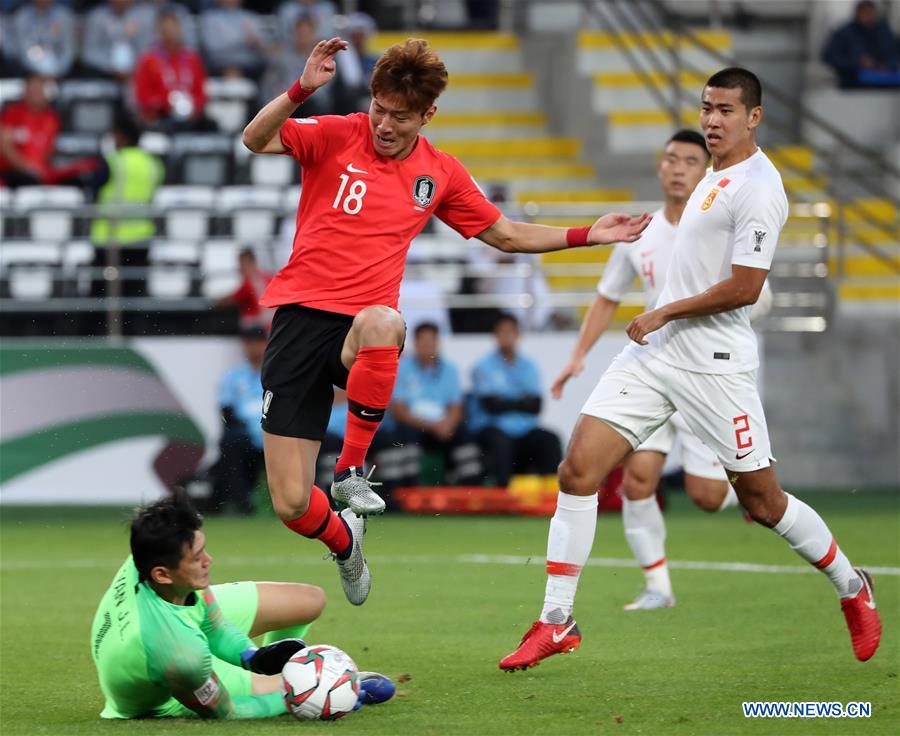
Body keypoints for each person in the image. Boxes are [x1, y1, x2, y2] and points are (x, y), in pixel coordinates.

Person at [240, 37, 650, 607]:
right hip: (298, 323)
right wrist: (302, 87)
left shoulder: (440, 173)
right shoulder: (337, 132)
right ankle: (345, 542)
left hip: (359, 326)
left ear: (427, 115)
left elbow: (505, 234)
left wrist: (588, 234)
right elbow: (255, 138)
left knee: (386, 323)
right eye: (379, 109)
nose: (384, 124)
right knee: (290, 503)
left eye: (399, 117)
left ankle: (353, 470)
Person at [499, 67, 882, 671]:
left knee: (761, 501)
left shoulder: (759, 188)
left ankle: (852, 586)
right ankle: (556, 620)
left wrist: (665, 310)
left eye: (726, 110)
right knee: (577, 471)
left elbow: (747, 287)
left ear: (754, 117)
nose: (711, 120)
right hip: (656, 356)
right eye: (706, 108)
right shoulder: (710, 176)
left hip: (716, 362)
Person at [550, 130, 775, 611]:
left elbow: (749, 287)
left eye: (689, 161)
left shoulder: (718, 221)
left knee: (706, 497)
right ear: (660, 167)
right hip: (654, 366)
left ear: (706, 170)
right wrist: (578, 355)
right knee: (637, 480)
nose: (677, 168)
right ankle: (658, 587)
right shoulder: (641, 230)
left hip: (706, 371)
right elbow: (609, 296)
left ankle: (753, 490)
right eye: (670, 159)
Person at [90, 491, 393, 719]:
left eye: (203, 549)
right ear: (162, 574)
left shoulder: (152, 553)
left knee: (309, 601)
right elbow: (225, 709)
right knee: (289, 692)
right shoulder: (181, 658)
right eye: (197, 558)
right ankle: (312, 683)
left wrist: (253, 657)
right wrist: (296, 697)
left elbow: (213, 624)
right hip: (163, 679)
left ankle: (299, 674)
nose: (209, 561)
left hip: (159, 624)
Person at [471, 313, 562, 486]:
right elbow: (490, 406)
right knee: (500, 443)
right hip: (494, 427)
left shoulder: (529, 365)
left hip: (525, 429)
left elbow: (536, 405)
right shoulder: (483, 365)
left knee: (550, 439)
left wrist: (504, 401)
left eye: (510, 331)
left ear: (518, 335)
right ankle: (504, 495)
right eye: (502, 332)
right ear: (495, 336)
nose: (506, 336)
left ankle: (550, 494)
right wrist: (521, 401)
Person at [392, 322, 482, 486]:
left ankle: (470, 488)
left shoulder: (450, 369)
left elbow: (456, 407)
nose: (427, 346)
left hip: (443, 426)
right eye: (423, 341)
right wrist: (430, 425)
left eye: (431, 341)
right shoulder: (402, 368)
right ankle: (410, 489)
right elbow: (399, 409)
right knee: (405, 433)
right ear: (415, 343)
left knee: (464, 433)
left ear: (437, 343)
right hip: (415, 425)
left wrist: (447, 424)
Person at [90, 111, 164, 298]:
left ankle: (97, 328)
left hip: (109, 238)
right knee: (134, 296)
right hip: (141, 238)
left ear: (122, 136)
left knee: (100, 294)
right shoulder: (153, 163)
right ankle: (134, 328)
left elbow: (93, 192)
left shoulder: (112, 162)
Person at [0, 75, 104, 189]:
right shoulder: (12, 114)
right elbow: (5, 146)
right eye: (33, 90)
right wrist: (28, 168)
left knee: (84, 178)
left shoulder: (52, 118)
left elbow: (47, 150)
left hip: (41, 172)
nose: (36, 94)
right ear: (25, 91)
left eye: (40, 90)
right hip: (14, 172)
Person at [211, 326, 268, 516]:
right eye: (249, 343)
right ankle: (243, 504)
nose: (254, 347)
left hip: (274, 431)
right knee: (229, 442)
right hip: (246, 433)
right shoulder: (234, 376)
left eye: (257, 342)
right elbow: (226, 410)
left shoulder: (275, 372)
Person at [132, 8, 211, 132]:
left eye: (173, 28)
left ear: (179, 29)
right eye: (166, 29)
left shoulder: (192, 58)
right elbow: (143, 96)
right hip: (161, 116)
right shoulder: (149, 60)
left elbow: (201, 91)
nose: (170, 33)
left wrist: (194, 108)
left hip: (192, 116)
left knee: (211, 126)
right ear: (159, 31)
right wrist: (166, 104)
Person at [822, 0, 900, 88]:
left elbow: (895, 54)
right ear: (857, 14)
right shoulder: (843, 33)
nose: (869, 16)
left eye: (871, 13)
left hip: (886, 85)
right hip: (853, 85)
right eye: (865, 13)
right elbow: (829, 57)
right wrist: (857, 62)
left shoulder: (884, 32)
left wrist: (887, 66)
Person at [5, 0, 75, 78]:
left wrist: (58, 72)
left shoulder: (64, 16)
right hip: (30, 73)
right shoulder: (22, 17)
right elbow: (23, 52)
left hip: (59, 74)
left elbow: (68, 51)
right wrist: (38, 74)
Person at [200, 0, 268, 80]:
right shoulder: (209, 18)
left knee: (268, 70)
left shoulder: (250, 17)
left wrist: (257, 44)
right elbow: (212, 47)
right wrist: (243, 41)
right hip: (220, 65)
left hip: (249, 65)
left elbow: (265, 46)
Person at [81, 0, 145, 80]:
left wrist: (132, 67)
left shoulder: (144, 17)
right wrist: (113, 67)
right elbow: (88, 53)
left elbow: (148, 50)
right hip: (103, 73)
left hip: (137, 72)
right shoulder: (97, 16)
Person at [215, 249, 275, 330]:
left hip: (259, 327)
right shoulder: (269, 278)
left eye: (242, 264)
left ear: (252, 263)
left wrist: (216, 301)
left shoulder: (250, 283)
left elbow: (231, 299)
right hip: (273, 325)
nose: (240, 268)